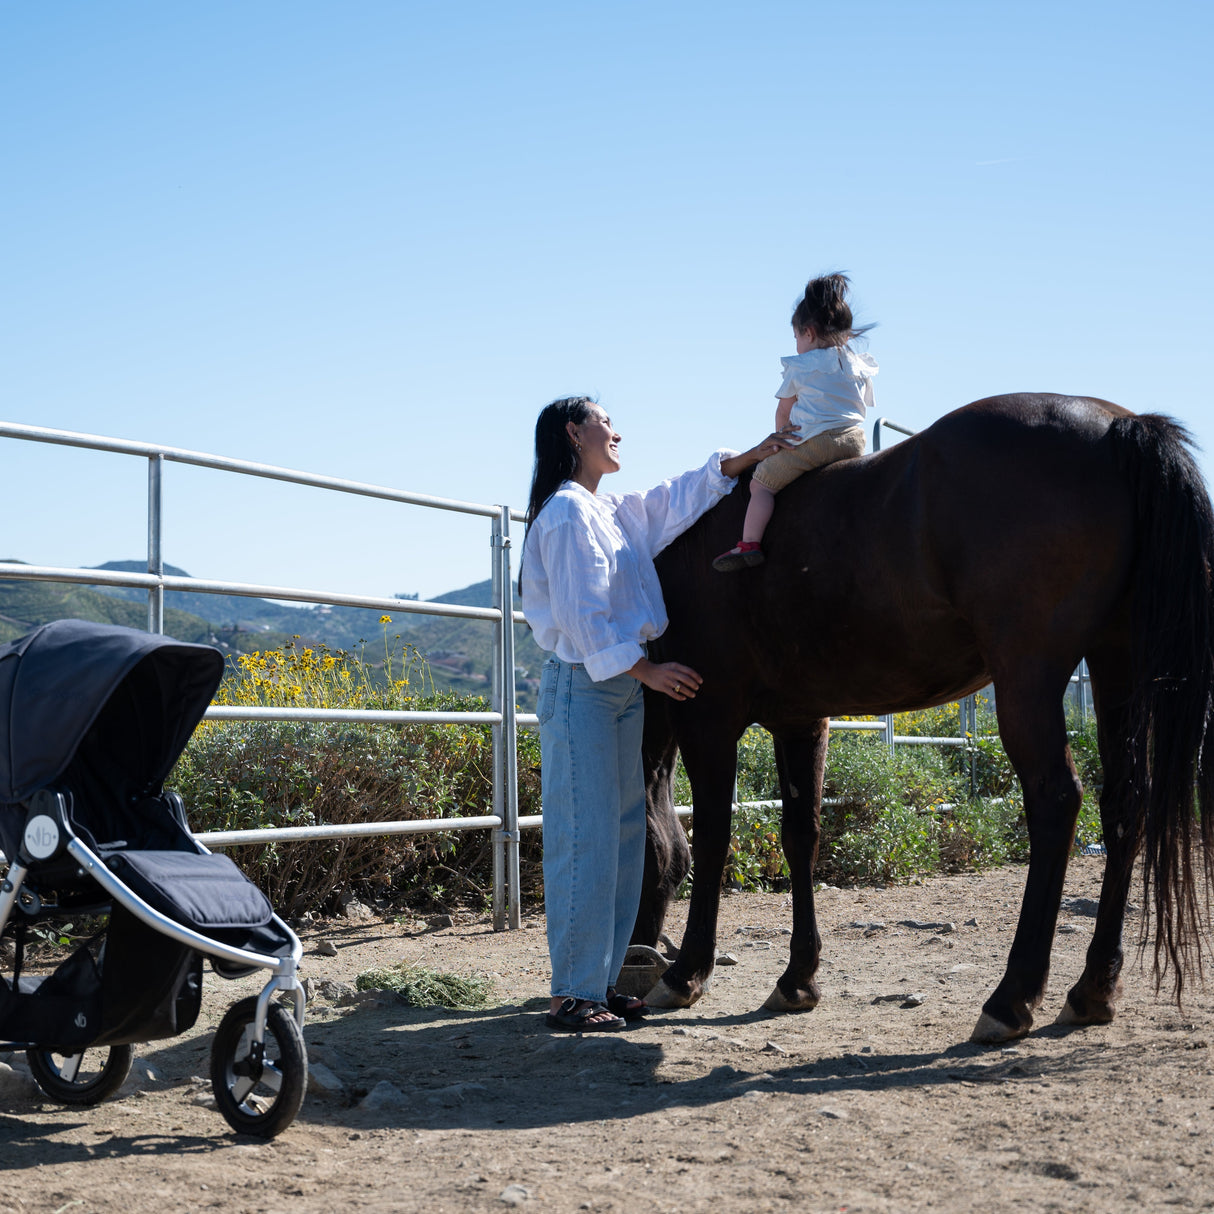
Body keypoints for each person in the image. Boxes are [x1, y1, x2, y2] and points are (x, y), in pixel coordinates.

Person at [520, 396, 796, 1031]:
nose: (616, 431)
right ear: (573, 432)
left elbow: (669, 500)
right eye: (604, 421)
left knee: (620, 841)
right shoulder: (565, 514)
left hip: (616, 689)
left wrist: (746, 460)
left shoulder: (606, 511)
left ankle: (603, 982)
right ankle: (572, 995)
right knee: (585, 838)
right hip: (588, 686)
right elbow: (586, 621)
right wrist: (650, 671)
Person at [712, 273, 876, 572]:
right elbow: (861, 404)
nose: (797, 344)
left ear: (808, 333)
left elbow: (783, 413)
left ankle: (749, 543)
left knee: (761, 484)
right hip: (854, 439)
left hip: (816, 442)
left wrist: (779, 439)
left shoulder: (800, 366)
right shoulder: (856, 363)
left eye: (797, 337)